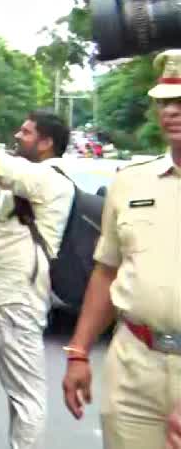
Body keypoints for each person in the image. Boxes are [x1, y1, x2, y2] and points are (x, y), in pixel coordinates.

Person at [62, 50, 181, 449]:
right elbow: (106, 270)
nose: (171, 111)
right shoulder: (130, 184)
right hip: (133, 365)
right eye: (165, 102)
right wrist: (78, 352)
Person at [0, 91, 73, 449]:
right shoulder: (31, 177)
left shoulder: (47, 178)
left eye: (26, 131)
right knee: (19, 394)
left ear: (47, 143)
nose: (18, 136)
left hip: (18, 297)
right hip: (9, 296)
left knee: (26, 397)